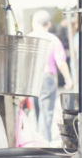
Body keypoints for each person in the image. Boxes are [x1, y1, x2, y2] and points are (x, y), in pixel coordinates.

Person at [28, 10, 73, 141]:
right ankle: (44, 141)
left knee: (35, 111)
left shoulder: (27, 38)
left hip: (31, 79)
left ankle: (37, 140)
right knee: (46, 112)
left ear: (33, 22)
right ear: (49, 24)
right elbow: (60, 61)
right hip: (46, 78)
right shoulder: (52, 39)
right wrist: (68, 79)